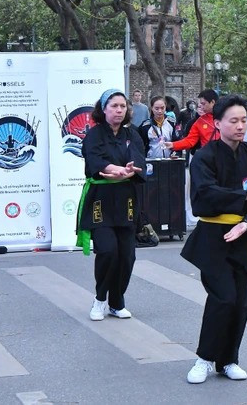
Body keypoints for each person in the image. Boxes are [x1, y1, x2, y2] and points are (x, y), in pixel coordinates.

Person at [181, 95, 247, 384]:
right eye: (233, 120)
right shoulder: (204, 158)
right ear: (217, 123)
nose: (239, 125)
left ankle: (229, 359)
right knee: (223, 297)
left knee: (242, 299)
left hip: (243, 236)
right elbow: (204, 196)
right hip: (213, 236)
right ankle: (204, 358)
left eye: (243, 120)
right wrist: (243, 196)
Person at [78, 89, 146, 322]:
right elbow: (96, 162)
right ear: (104, 109)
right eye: (114, 106)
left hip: (127, 200)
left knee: (127, 256)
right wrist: (116, 171)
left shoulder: (132, 135)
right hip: (101, 200)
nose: (119, 110)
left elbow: (139, 162)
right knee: (108, 251)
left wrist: (129, 171)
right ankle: (100, 299)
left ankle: (117, 302)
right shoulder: (94, 135)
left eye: (122, 106)